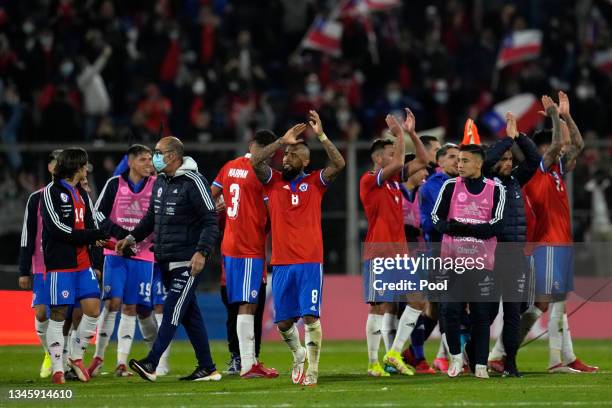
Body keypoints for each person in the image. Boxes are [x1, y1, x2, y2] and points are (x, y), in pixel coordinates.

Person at [250, 110, 345, 386]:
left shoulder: (315, 181)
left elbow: (339, 163)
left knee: (311, 316)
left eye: (293, 155)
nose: (286, 158)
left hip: (308, 260)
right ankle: (298, 354)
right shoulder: (273, 181)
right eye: (285, 156)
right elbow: (256, 161)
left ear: (305, 160)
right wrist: (282, 141)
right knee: (283, 323)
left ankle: (313, 371)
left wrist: (322, 136)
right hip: (281, 262)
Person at [116, 136, 220, 382]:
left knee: (173, 309)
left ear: (173, 156)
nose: (155, 157)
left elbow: (210, 220)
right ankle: (207, 367)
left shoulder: (194, 181)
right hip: (165, 259)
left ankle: (151, 362)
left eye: (159, 152)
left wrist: (201, 252)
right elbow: (152, 218)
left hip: (187, 261)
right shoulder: (161, 180)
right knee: (189, 313)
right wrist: (131, 238)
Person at [520, 92, 597, 373]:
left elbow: (577, 143)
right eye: (554, 149)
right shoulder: (537, 170)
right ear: (540, 151)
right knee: (553, 303)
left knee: (547, 304)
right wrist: (553, 115)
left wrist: (565, 116)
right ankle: (554, 362)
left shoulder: (555, 172)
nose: (563, 151)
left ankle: (502, 352)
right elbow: (557, 144)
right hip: (547, 244)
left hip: (561, 244)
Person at [359, 110, 429, 377]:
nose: (395, 158)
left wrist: (410, 134)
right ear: (378, 159)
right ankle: (373, 363)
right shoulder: (370, 180)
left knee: (418, 300)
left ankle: (393, 353)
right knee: (378, 306)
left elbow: (423, 160)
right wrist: (399, 136)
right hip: (379, 252)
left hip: (400, 254)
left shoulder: (393, 184)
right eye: (389, 154)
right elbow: (400, 163)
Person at [432, 144, 506, 378]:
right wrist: (452, 228)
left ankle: (480, 365)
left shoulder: (496, 189)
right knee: (449, 311)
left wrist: (463, 228)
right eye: (458, 160)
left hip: (482, 264)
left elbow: (497, 226)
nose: (459, 165)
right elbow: (437, 218)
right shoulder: (450, 186)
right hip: (452, 262)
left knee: (481, 316)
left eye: (464, 160)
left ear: (479, 163)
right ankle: (455, 359)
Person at [89, 144, 163, 377]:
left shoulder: (157, 185)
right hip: (116, 252)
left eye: (150, 159)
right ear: (130, 162)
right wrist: (121, 236)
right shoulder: (114, 184)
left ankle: (121, 363)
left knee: (132, 306)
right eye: (143, 159)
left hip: (143, 254)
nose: (149, 164)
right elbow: (98, 215)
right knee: (112, 302)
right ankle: (98, 358)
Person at [211, 130, 279, 379]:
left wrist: (224, 212)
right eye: (267, 150)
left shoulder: (229, 167)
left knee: (238, 303)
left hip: (229, 245)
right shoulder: (262, 176)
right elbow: (273, 212)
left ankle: (243, 360)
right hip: (250, 247)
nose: (269, 157)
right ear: (254, 146)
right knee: (248, 305)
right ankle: (249, 364)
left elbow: (210, 198)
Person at [40, 148, 108, 384]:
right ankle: (58, 367)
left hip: (83, 263)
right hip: (61, 264)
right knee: (59, 314)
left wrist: (113, 240)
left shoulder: (82, 193)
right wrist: (91, 235)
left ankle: (76, 357)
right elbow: (58, 229)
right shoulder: (50, 192)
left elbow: (94, 223)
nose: (87, 169)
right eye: (85, 165)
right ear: (76, 167)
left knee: (93, 310)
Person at [480, 112, 540, 377]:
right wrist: (507, 140)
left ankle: (511, 364)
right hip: (493, 254)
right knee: (489, 310)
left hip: (515, 254)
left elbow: (535, 160)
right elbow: (487, 160)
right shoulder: (486, 182)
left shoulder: (516, 181)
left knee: (515, 310)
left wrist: (520, 138)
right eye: (503, 160)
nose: (507, 162)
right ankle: (475, 357)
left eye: (509, 159)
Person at [18, 150, 62, 379]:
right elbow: (28, 234)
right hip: (43, 266)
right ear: (50, 167)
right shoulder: (37, 197)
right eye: (57, 162)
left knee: (68, 315)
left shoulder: (78, 195)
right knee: (43, 313)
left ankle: (66, 360)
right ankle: (49, 353)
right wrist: (24, 269)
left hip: (70, 266)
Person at [417, 142, 460, 373]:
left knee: (438, 307)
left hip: (459, 249)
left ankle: (419, 353)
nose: (457, 160)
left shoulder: (460, 183)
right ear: (440, 161)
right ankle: (445, 355)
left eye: (459, 156)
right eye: (452, 156)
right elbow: (443, 217)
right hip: (438, 249)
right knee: (443, 304)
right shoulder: (435, 185)